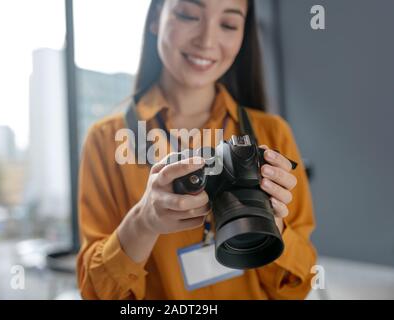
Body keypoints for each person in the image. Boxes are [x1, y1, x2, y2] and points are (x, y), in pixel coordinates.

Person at [77, 0, 317, 299]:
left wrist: (273, 224)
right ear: (155, 19)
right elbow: (97, 292)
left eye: (228, 24)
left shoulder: (272, 134)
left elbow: (297, 286)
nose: (206, 40)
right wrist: (143, 222)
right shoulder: (107, 139)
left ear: (243, 35)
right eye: (188, 15)